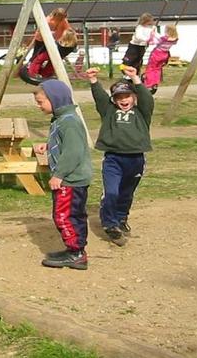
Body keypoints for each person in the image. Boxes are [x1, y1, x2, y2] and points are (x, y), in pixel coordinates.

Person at [87, 65, 153, 248]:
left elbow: (147, 98)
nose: (123, 100)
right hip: (114, 159)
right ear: (113, 100)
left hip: (136, 160)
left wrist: (136, 79)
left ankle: (121, 218)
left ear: (134, 97)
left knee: (126, 193)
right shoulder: (109, 112)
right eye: (119, 97)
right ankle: (110, 224)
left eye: (127, 96)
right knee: (112, 192)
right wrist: (93, 80)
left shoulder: (141, 113)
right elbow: (100, 98)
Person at [34, 80, 92, 270]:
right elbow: (67, 143)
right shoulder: (62, 119)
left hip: (70, 179)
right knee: (70, 215)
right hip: (70, 178)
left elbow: (73, 152)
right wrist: (49, 145)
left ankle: (76, 253)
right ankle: (73, 249)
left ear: (54, 99)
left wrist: (58, 175)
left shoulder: (69, 122)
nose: (39, 105)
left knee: (64, 216)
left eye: (41, 101)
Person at [142, 25, 178, 94]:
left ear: (167, 31)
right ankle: (155, 82)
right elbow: (159, 37)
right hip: (164, 55)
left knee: (151, 68)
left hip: (157, 54)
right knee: (157, 69)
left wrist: (153, 33)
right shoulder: (175, 39)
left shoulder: (164, 38)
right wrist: (155, 32)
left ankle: (149, 83)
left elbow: (155, 41)